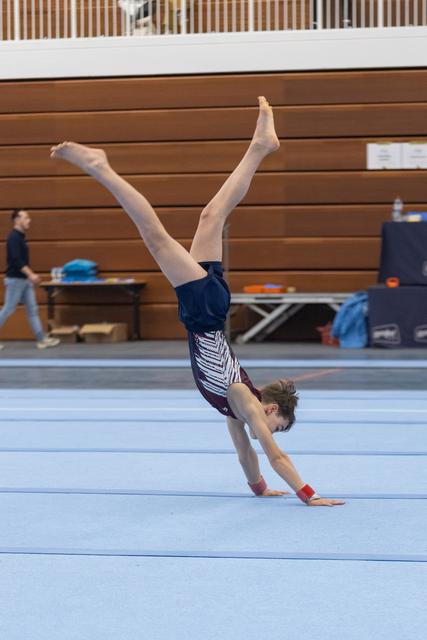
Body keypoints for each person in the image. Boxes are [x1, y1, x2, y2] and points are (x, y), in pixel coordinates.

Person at [50, 97, 344, 507]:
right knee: (155, 237)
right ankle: (101, 167)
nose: (267, 430)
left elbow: (245, 454)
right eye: (274, 424)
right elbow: (272, 454)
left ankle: (260, 147)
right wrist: (308, 495)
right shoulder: (244, 398)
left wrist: (259, 488)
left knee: (212, 215)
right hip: (204, 314)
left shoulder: (236, 410)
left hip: (211, 309)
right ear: (271, 407)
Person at [0, 209, 60, 350]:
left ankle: (41, 340)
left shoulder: (21, 237)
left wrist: (29, 277)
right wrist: (31, 274)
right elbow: (16, 261)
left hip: (24, 280)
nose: (29, 220)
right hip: (15, 280)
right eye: (26, 218)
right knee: (8, 309)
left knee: (33, 310)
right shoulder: (13, 238)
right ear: (17, 220)